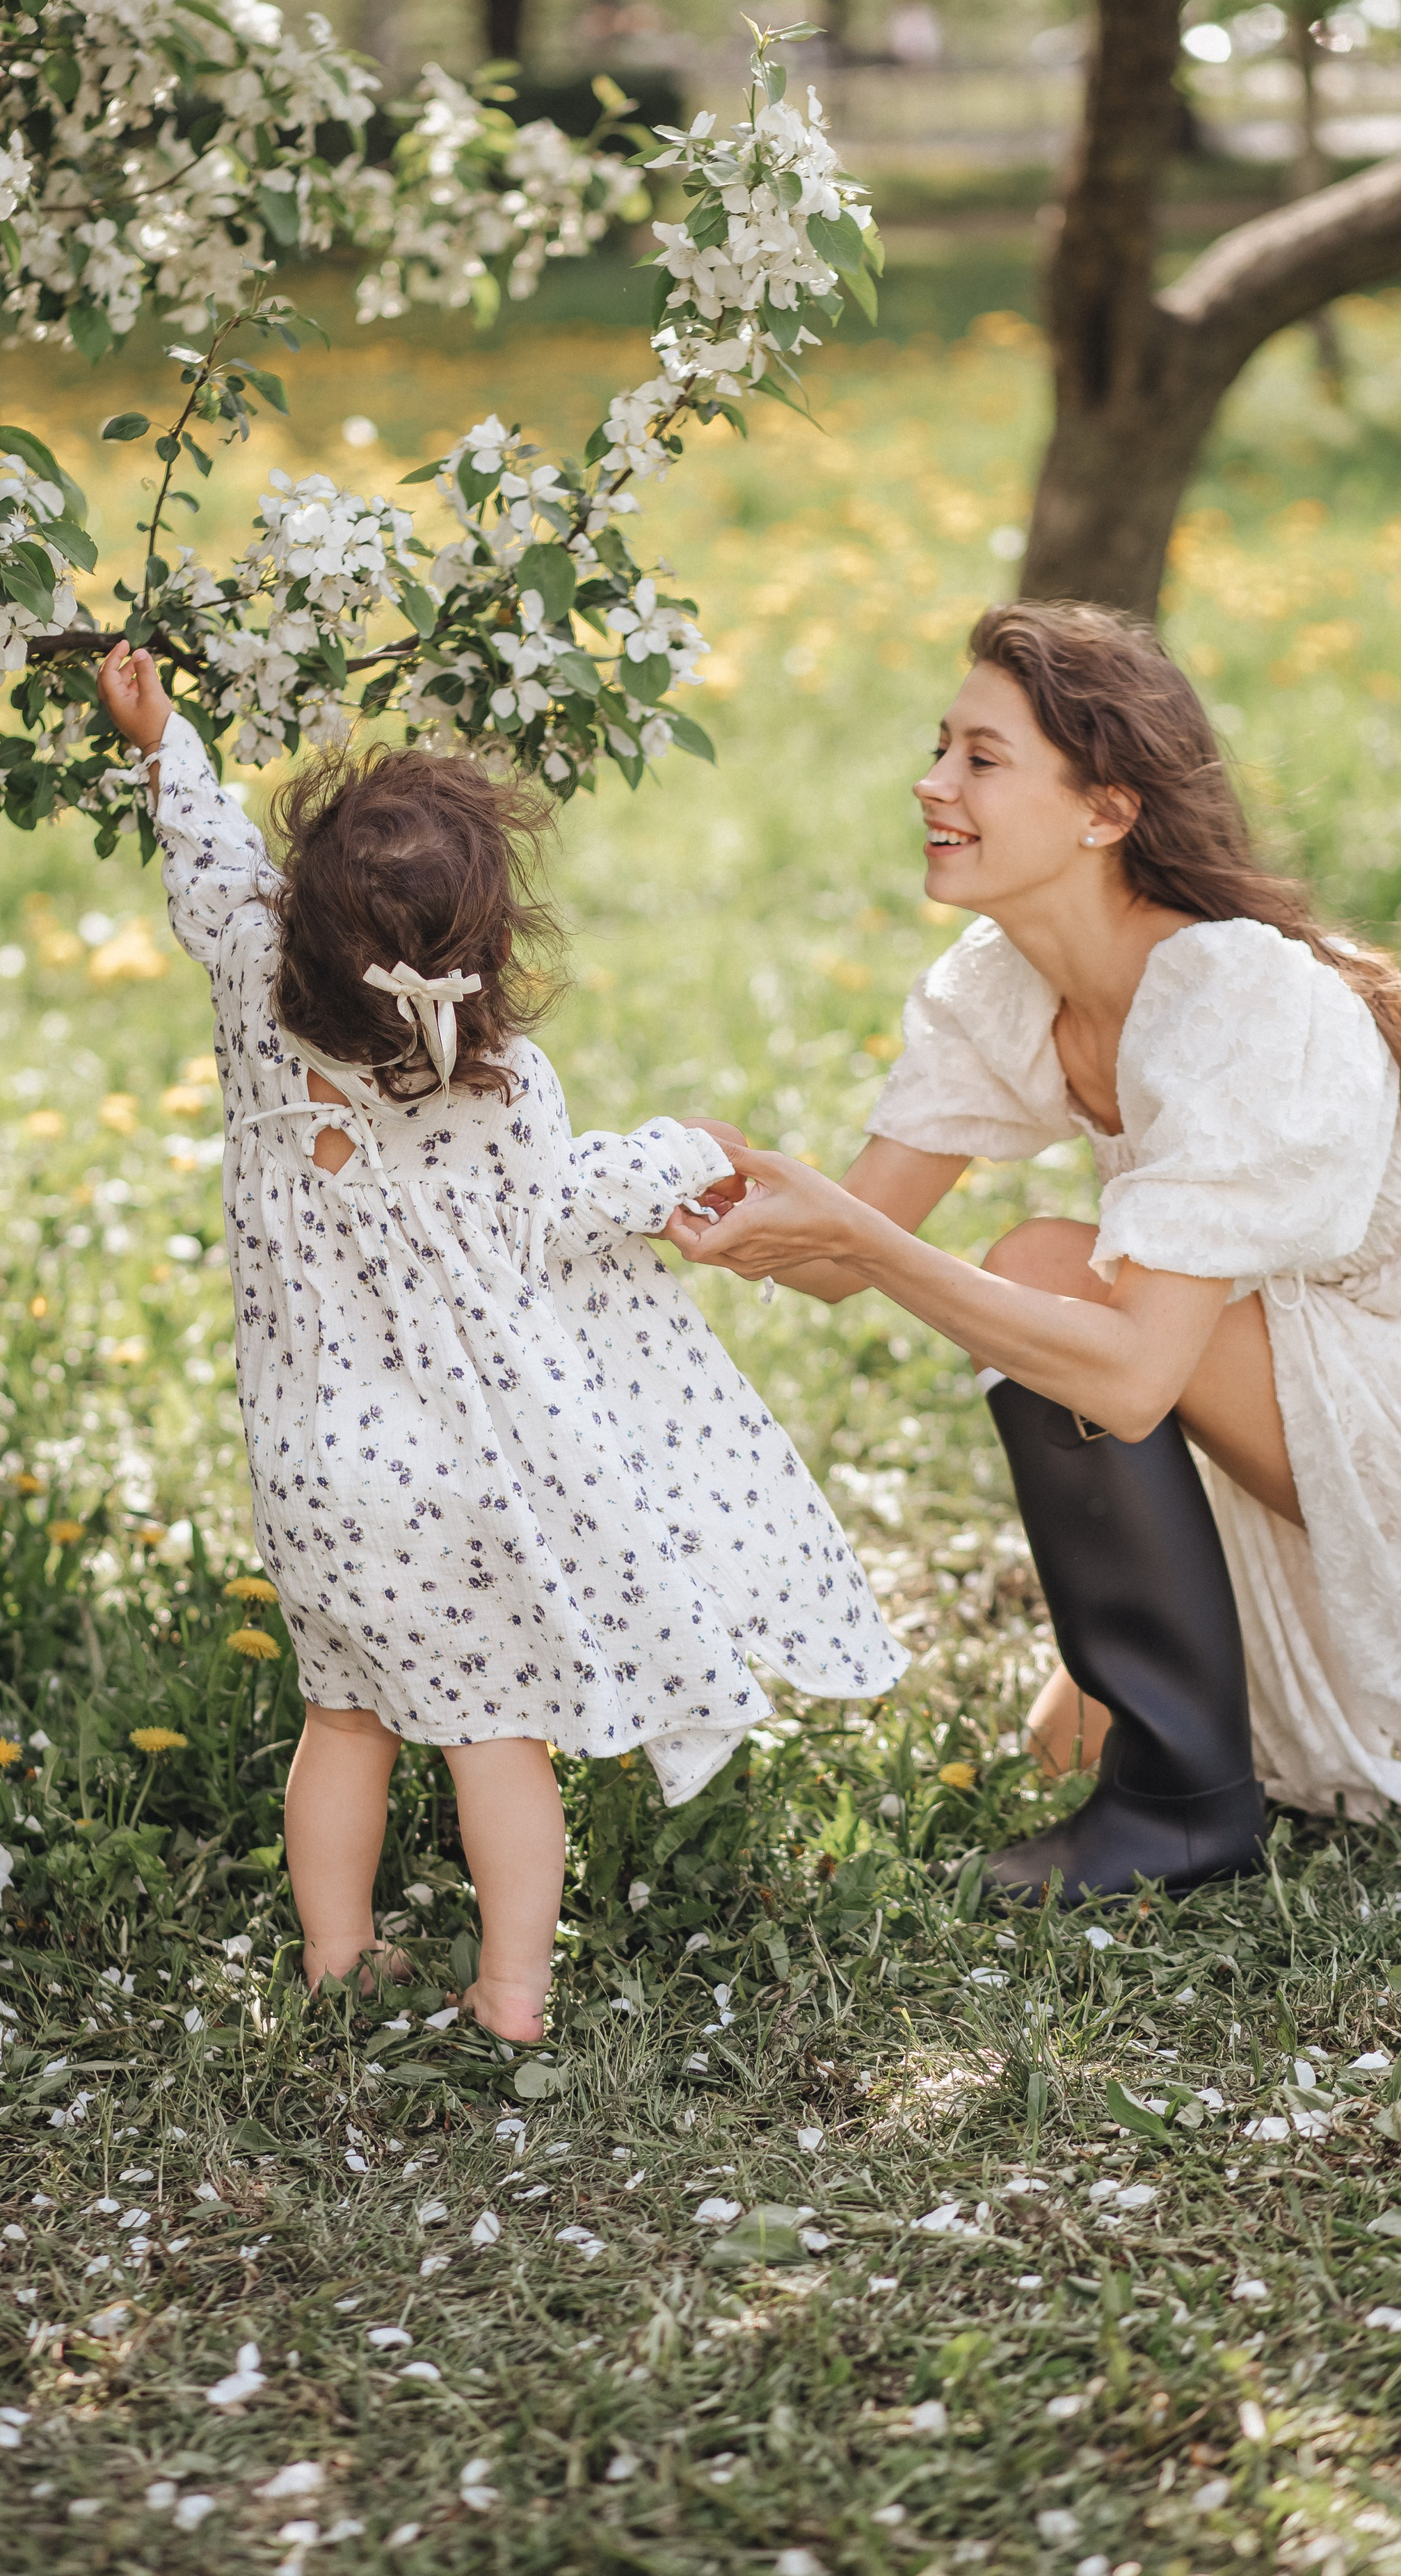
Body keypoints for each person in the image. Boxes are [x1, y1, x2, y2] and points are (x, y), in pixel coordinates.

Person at [97, 644, 904, 2040]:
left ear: (298, 928)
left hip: (307, 1469)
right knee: (493, 1734)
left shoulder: (250, 1004)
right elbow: (555, 1213)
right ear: (489, 943)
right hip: (461, 1479)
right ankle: (511, 1993)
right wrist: (677, 1157)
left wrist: (161, 736)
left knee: (341, 1718)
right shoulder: (504, 1086)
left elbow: (210, 870)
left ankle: (338, 1957)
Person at [671, 600, 1401, 1905]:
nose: (932, 783)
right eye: (942, 749)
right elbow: (833, 1254)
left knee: (1048, 1259)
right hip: (1298, 1383)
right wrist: (708, 1181)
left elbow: (1137, 1374)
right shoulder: (1006, 983)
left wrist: (866, 1241)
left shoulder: (1239, 993)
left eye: (982, 759)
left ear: (1107, 811)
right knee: (1062, 1750)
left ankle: (1185, 1814)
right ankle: (1167, 1776)